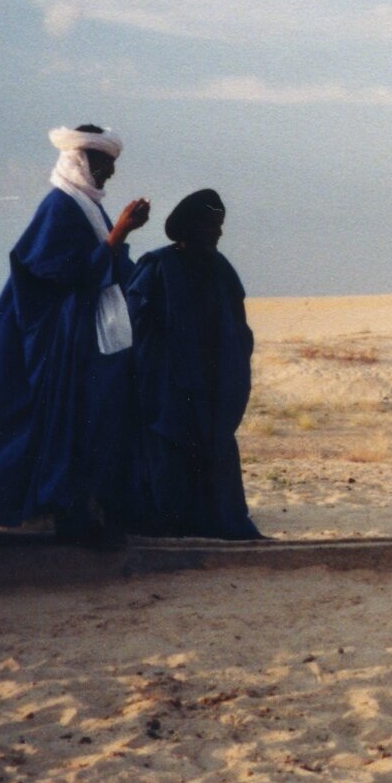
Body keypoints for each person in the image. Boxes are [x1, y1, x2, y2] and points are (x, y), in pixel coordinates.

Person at [0, 125, 149, 539]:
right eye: (103, 163)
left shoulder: (86, 206)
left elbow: (99, 267)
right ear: (80, 160)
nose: (109, 173)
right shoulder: (60, 207)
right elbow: (54, 273)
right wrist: (120, 233)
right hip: (55, 339)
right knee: (60, 422)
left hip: (81, 337)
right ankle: (67, 515)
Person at [125, 189, 261, 539]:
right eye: (212, 225)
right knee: (167, 450)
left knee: (212, 445)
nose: (218, 233)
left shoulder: (220, 268)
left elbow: (237, 321)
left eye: (220, 225)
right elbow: (134, 323)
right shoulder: (157, 266)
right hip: (167, 382)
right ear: (193, 226)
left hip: (212, 381)